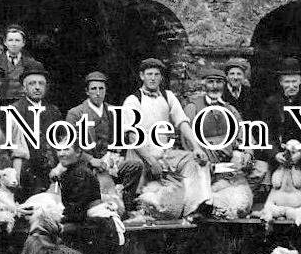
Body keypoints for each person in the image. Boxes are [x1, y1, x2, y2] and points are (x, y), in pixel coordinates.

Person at [120, 58, 210, 221]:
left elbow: (182, 122)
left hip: (164, 154)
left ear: (161, 77)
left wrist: (197, 147)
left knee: (194, 160)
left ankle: (194, 208)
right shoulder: (133, 100)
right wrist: (151, 161)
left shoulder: (168, 97)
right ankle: (137, 209)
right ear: (142, 76)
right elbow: (133, 137)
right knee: (144, 196)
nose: (153, 78)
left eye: (156, 74)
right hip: (140, 154)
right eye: (149, 74)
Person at [65, 71, 142, 213]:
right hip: (85, 164)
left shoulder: (112, 111)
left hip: (107, 163)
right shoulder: (75, 113)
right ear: (87, 92)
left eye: (101, 89)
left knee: (135, 166)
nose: (98, 93)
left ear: (106, 90)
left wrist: (115, 157)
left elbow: (119, 142)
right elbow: (70, 146)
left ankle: (125, 206)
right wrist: (90, 159)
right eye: (93, 89)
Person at [262, 57, 301, 201]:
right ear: (281, 82)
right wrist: (275, 154)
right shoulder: (271, 103)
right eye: (287, 82)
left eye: (294, 81)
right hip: (279, 158)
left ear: (300, 81)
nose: (291, 86)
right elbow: (266, 133)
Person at [9, 60, 62, 201]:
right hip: (28, 174)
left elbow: (62, 142)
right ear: (24, 88)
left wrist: (60, 167)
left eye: (41, 83)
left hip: (54, 172)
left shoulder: (53, 111)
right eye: (32, 84)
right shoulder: (15, 111)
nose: (37, 88)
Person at [0, 24, 41, 103]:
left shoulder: (33, 64)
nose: (14, 44)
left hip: (25, 104)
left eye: (17, 40)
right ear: (5, 42)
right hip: (1, 104)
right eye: (10, 40)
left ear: (23, 43)